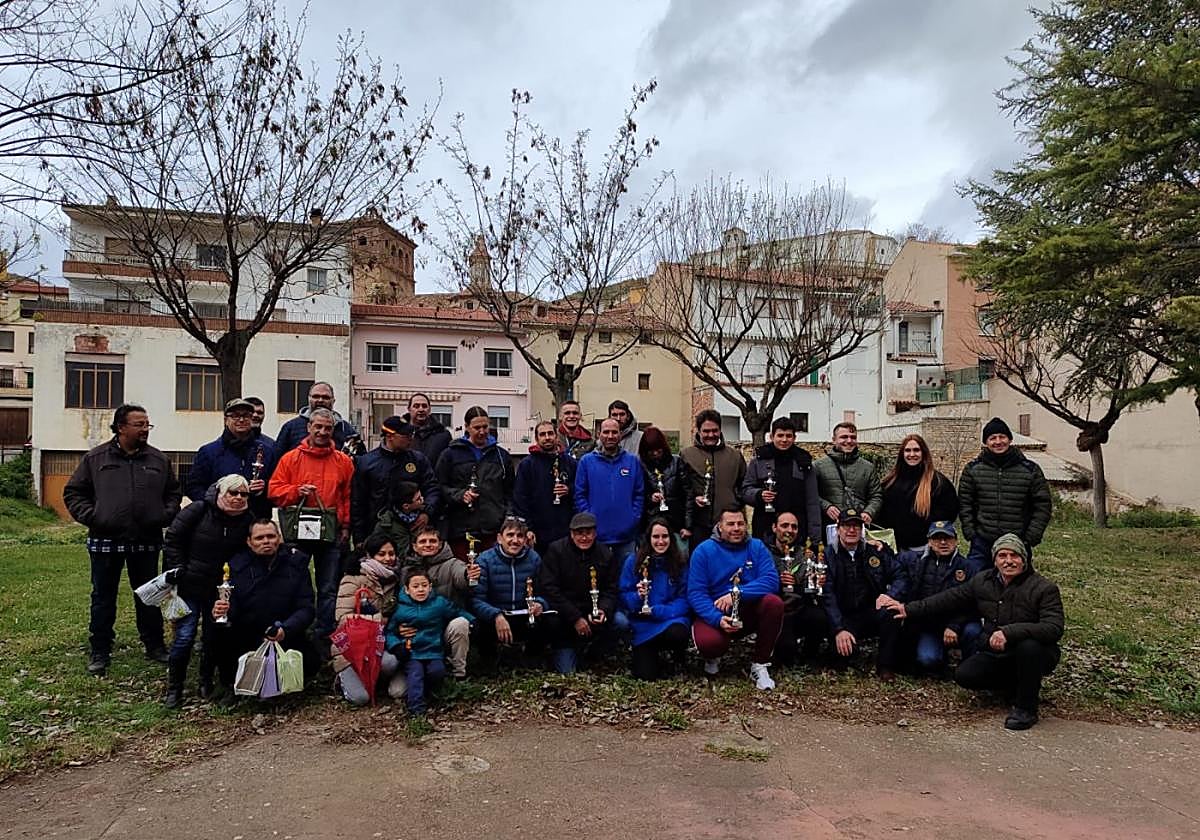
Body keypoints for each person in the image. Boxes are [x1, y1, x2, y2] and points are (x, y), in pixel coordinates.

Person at [887, 534, 1064, 730]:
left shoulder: (1044, 588)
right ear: (995, 559)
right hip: (999, 651)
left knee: (1028, 647)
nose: (1008, 561)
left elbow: (1053, 628)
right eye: (1002, 555)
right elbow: (948, 598)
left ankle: (1026, 708)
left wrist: (1009, 632)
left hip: (1036, 652)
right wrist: (908, 609)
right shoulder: (983, 580)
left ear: (1024, 559)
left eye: (1014, 556)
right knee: (965, 675)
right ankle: (1014, 686)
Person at [64, 403, 181, 676]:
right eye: (139, 424)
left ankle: (154, 646)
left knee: (149, 596)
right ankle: (100, 651)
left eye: (147, 425)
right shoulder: (96, 458)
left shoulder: (159, 460)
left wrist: (163, 515)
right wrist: (95, 517)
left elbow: (173, 493)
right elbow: (74, 492)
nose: (145, 430)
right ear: (120, 427)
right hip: (105, 541)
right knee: (103, 597)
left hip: (147, 540)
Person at [161, 474, 255, 707]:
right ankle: (175, 688)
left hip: (221, 590)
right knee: (184, 637)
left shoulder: (247, 519)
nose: (238, 498)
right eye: (233, 493)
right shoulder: (198, 510)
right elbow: (173, 538)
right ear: (221, 492)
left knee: (214, 637)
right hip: (190, 585)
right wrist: (178, 569)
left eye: (243, 494)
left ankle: (206, 680)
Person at [268, 408, 355, 650]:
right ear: (308, 427)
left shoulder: (343, 461)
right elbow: (273, 492)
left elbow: (347, 497)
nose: (322, 432)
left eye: (327, 428)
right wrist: (296, 491)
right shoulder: (290, 458)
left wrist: (346, 526)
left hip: (331, 533)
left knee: (328, 588)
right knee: (294, 583)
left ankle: (324, 634)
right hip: (298, 533)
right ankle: (291, 631)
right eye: (318, 426)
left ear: (333, 430)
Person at [209, 520, 316, 696]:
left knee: (310, 661)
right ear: (249, 542)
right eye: (259, 538)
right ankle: (230, 685)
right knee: (219, 636)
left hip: (285, 632)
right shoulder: (236, 566)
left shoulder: (296, 563)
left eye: (270, 536)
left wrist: (286, 628)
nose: (266, 541)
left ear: (279, 538)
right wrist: (221, 611)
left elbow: (306, 607)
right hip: (249, 634)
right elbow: (232, 608)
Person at [687, 505, 783, 690]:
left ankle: (760, 663)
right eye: (730, 524)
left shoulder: (756, 546)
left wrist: (736, 594)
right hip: (717, 611)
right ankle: (713, 656)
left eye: (741, 523)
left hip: (748, 610)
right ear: (720, 526)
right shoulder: (703, 551)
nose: (736, 528)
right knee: (709, 643)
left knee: (774, 603)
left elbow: (771, 580)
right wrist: (716, 619)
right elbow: (696, 593)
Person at [820, 509, 908, 680]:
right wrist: (839, 629)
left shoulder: (876, 551)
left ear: (862, 530)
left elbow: (901, 576)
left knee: (891, 612)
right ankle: (844, 648)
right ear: (838, 529)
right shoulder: (827, 556)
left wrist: (891, 595)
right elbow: (827, 594)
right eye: (846, 526)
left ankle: (885, 666)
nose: (851, 530)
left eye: (856, 526)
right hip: (844, 617)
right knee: (839, 658)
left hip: (871, 613)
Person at [958, 417, 1053, 572]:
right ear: (985, 442)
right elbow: (964, 502)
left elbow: (1042, 504)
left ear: (1009, 439)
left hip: (1018, 540)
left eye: (1002, 437)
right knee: (976, 584)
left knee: (1019, 589)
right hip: (983, 541)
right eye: (992, 438)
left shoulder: (1030, 470)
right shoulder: (973, 469)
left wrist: (1031, 536)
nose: (998, 442)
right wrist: (971, 532)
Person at [538, 512, 628, 674]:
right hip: (565, 617)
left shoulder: (605, 554)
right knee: (568, 672)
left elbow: (611, 589)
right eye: (579, 533)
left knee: (621, 622)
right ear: (571, 534)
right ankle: (564, 651)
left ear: (595, 533)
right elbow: (549, 588)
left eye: (588, 533)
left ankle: (595, 652)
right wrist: (576, 618)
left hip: (593, 613)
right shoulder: (556, 551)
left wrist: (603, 609)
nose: (584, 538)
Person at [888, 521, 981, 674]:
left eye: (947, 538)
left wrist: (954, 626)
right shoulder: (917, 562)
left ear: (956, 540)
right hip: (930, 626)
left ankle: (970, 668)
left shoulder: (968, 568)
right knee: (928, 660)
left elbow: (974, 604)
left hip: (959, 623)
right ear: (929, 541)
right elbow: (891, 564)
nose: (943, 542)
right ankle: (940, 656)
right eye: (937, 538)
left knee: (973, 631)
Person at [385, 567, 474, 715]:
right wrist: (396, 646)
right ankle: (416, 709)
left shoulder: (439, 603)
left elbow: (456, 611)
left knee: (437, 672)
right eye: (415, 586)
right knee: (415, 675)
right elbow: (390, 631)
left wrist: (472, 620)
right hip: (412, 653)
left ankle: (431, 692)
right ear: (407, 590)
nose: (420, 590)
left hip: (434, 651)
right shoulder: (400, 609)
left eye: (424, 585)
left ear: (430, 587)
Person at [331, 534, 405, 706]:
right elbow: (342, 618)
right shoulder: (353, 578)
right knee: (360, 699)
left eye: (391, 553)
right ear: (369, 556)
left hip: (382, 642)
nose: (388, 558)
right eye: (382, 554)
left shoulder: (398, 579)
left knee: (390, 663)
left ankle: (375, 680)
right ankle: (344, 679)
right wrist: (379, 619)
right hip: (351, 646)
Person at [436, 406, 514, 556]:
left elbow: (509, 491)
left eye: (485, 427)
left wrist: (506, 518)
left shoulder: (501, 456)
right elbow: (440, 486)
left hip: (493, 528)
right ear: (467, 427)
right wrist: (459, 495)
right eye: (477, 427)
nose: (482, 432)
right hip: (460, 529)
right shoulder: (450, 454)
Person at [401, 526, 476, 679]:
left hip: (444, 627)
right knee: (398, 691)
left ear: (440, 544)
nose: (428, 545)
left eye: (432, 541)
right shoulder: (405, 570)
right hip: (418, 632)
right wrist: (400, 626)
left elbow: (461, 576)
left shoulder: (452, 564)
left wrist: (468, 575)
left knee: (460, 624)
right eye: (423, 541)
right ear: (414, 546)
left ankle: (458, 673)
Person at [350, 415, 438, 546]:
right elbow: (358, 502)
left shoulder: (418, 460)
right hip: (378, 529)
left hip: (412, 529)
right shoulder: (366, 463)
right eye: (405, 435)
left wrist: (426, 513)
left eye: (411, 434)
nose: (410, 438)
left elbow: (432, 488)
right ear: (389, 436)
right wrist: (359, 538)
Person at [469, 517, 547, 665]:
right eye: (510, 535)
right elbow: (476, 599)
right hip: (495, 617)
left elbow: (544, 591)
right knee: (478, 625)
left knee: (549, 620)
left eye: (520, 536)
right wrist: (496, 615)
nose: (515, 540)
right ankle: (488, 661)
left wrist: (540, 604)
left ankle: (532, 659)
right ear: (500, 538)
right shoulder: (484, 560)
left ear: (525, 540)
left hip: (523, 615)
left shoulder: (534, 559)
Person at [619, 518, 690, 680]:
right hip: (643, 625)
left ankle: (677, 657)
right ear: (648, 538)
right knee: (646, 676)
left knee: (678, 632)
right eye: (655, 537)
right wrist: (638, 597)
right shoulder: (633, 562)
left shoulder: (680, 562)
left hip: (669, 620)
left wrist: (659, 611)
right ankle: (652, 656)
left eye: (665, 536)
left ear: (671, 538)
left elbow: (684, 598)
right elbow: (623, 596)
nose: (660, 541)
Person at [187, 398, 278, 518]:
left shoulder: (267, 451)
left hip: (255, 521)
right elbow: (193, 487)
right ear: (226, 420)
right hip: (218, 521)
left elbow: (278, 486)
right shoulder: (208, 452)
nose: (241, 420)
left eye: (246, 415)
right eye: (235, 416)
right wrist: (217, 500)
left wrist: (263, 488)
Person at [741, 416, 821, 544]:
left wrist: (815, 537)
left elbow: (812, 501)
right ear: (772, 437)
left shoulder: (804, 462)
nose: (784, 440)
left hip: (796, 528)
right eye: (780, 435)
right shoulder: (759, 461)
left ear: (794, 438)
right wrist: (758, 495)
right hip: (764, 526)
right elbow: (745, 490)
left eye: (788, 436)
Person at [574, 418, 645, 563]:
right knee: (597, 579)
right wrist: (589, 519)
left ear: (620, 435)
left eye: (614, 432)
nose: (610, 436)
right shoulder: (587, 462)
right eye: (606, 432)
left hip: (627, 536)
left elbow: (639, 493)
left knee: (626, 578)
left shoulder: (632, 461)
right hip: (596, 535)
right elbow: (580, 494)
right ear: (599, 434)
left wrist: (633, 518)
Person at [764, 512, 829, 667]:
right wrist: (777, 583)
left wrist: (812, 582)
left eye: (794, 527)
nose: (790, 530)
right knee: (786, 655)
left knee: (821, 617)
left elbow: (810, 590)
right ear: (774, 527)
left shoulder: (806, 555)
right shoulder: (763, 552)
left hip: (798, 607)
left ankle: (810, 653)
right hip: (775, 611)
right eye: (784, 525)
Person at [876, 434, 960, 553]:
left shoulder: (938, 483)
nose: (912, 454)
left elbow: (949, 513)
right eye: (907, 450)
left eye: (916, 450)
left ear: (923, 453)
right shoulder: (890, 483)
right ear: (902, 454)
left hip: (925, 549)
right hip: (896, 549)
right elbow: (881, 514)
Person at [680, 409, 747, 552]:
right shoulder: (687, 455)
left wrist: (735, 503)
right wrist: (693, 499)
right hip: (698, 525)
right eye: (706, 431)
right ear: (698, 431)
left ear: (720, 430)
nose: (711, 435)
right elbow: (681, 488)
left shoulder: (735, 456)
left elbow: (744, 486)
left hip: (728, 526)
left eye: (714, 431)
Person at [814, 422, 883, 544]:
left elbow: (876, 495)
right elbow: (811, 494)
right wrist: (826, 506)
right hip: (829, 528)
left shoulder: (868, 467)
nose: (849, 441)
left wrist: (869, 512)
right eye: (844, 437)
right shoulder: (818, 466)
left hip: (857, 529)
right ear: (834, 440)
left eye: (853, 437)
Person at [513, 420, 576, 548]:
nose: (547, 438)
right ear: (536, 438)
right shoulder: (527, 465)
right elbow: (520, 499)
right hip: (537, 532)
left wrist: (569, 489)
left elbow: (581, 489)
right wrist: (527, 528)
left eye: (550, 433)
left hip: (565, 531)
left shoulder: (570, 462)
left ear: (556, 436)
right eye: (542, 434)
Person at [637, 426, 694, 546]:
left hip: (676, 525)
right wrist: (650, 497)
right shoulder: (640, 466)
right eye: (651, 451)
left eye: (659, 450)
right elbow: (637, 494)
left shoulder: (677, 462)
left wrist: (687, 526)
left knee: (680, 561)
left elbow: (688, 495)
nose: (656, 454)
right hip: (650, 524)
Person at [275, 381, 357, 454]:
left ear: (333, 401)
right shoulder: (291, 427)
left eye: (326, 397)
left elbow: (360, 461)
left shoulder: (346, 430)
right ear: (309, 399)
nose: (320, 400)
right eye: (316, 396)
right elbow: (277, 458)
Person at [369, 481, 426, 562]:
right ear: (406, 506)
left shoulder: (424, 517)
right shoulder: (385, 525)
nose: (422, 500)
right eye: (418, 499)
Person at [405, 392, 452, 467]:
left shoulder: (443, 435)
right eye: (416, 406)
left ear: (429, 409)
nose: (421, 409)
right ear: (409, 409)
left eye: (424, 406)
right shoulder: (400, 435)